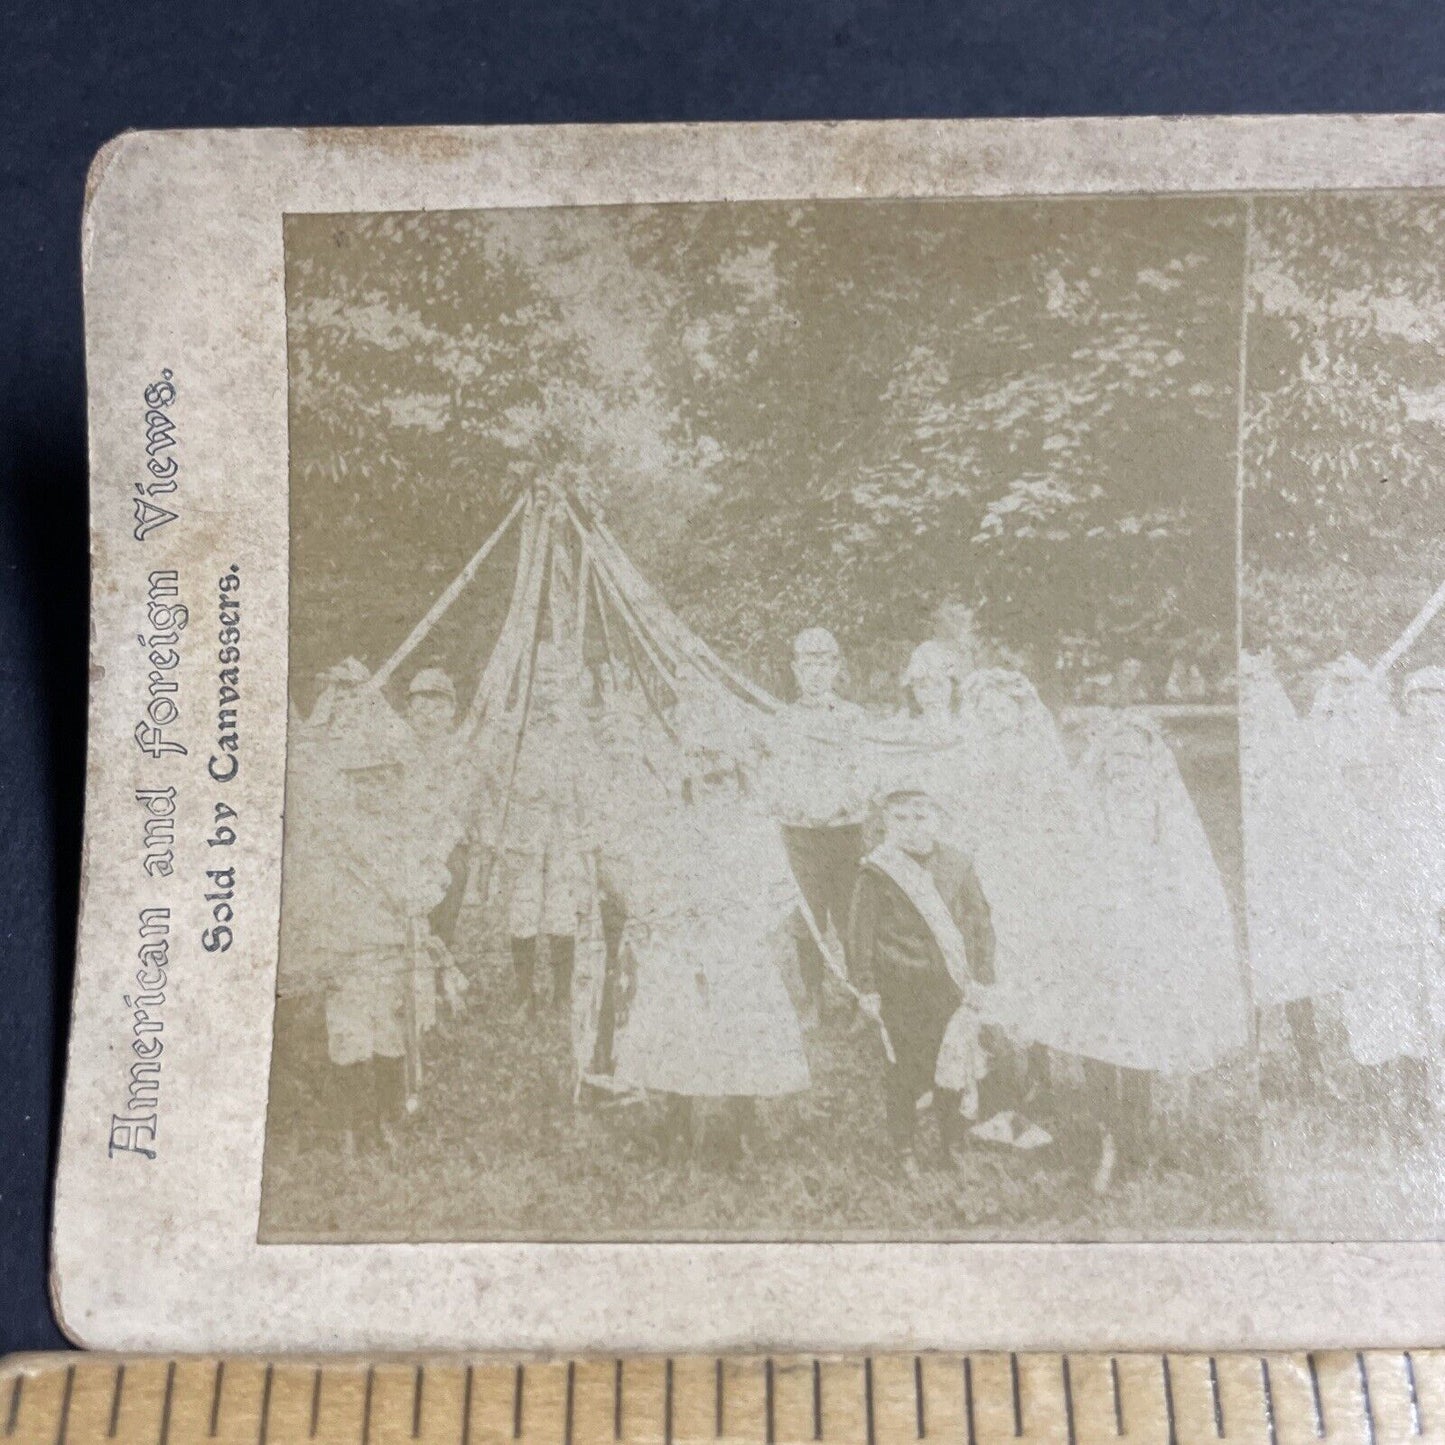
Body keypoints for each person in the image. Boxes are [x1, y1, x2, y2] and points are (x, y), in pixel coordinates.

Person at [1071, 711, 1248, 1191]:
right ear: (1103, 761)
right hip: (1098, 928)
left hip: (1144, 932)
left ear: (1150, 763)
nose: (1123, 767)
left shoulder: (1162, 809)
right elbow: (1067, 863)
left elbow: (1185, 873)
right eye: (1115, 757)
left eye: (1133, 757)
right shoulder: (1087, 804)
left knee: (1139, 1030)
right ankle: (1107, 1133)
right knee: (1098, 1031)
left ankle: (1136, 1133)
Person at [611, 743, 809, 1163]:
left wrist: (743, 921)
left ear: (738, 781)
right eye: (704, 780)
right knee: (678, 1024)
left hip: (737, 942)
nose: (714, 788)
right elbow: (647, 887)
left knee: (741, 1028)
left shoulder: (756, 828)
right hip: (682, 942)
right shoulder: (672, 828)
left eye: (723, 779)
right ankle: (675, 1118)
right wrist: (667, 916)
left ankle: (740, 1121)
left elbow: (779, 894)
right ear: (689, 784)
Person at [304, 730, 465, 1160]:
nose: (372, 788)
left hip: (394, 952)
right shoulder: (336, 837)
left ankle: (387, 1118)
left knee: (393, 1037)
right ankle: (353, 1125)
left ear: (395, 781)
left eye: (381, 779)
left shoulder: (408, 834)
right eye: (362, 779)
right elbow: (319, 896)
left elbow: (429, 885)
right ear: (349, 783)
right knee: (350, 1040)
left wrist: (426, 892)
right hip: (351, 952)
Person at [848, 785, 996, 1174]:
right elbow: (859, 935)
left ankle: (951, 1144)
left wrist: (982, 976)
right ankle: (905, 1148)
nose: (912, 828)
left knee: (951, 1066)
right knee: (904, 1070)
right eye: (901, 819)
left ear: (938, 820)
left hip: (950, 987)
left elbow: (980, 923)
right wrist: (866, 987)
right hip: (901, 988)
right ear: (884, 824)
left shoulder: (958, 864)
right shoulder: (877, 870)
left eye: (921, 817)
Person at [767, 626, 872, 1026]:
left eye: (824, 661)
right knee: (807, 918)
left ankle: (863, 999)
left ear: (836, 667)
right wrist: (797, 807)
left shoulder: (853, 718)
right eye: (807, 661)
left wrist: (839, 805)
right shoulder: (783, 721)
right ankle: (812, 998)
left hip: (845, 833)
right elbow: (773, 778)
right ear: (795, 668)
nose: (815, 670)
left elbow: (865, 774)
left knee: (851, 917)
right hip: (802, 835)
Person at [491, 642, 597, 1018]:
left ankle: (562, 993)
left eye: (555, 679)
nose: (547, 688)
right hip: (525, 825)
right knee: (523, 906)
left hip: (563, 828)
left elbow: (587, 778)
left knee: (561, 909)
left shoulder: (575, 728)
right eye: (541, 679)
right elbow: (497, 776)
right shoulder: (511, 725)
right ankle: (525, 992)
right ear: (528, 681)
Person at [403, 668, 474, 951]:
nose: (429, 715)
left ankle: (441, 954)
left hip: (446, 845)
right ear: (409, 710)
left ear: (452, 711)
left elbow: (464, 808)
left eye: (438, 706)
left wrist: (442, 846)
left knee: (452, 874)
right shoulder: (399, 748)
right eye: (421, 706)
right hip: (407, 843)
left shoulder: (460, 753)